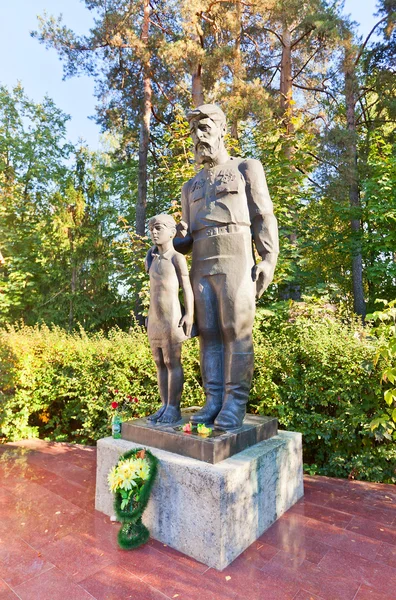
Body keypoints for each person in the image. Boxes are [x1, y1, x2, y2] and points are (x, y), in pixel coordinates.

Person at [173, 104, 279, 430]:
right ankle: (213, 400)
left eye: (205, 127)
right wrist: (178, 239)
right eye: (193, 131)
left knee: (236, 330)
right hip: (202, 261)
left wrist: (269, 258)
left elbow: (263, 215)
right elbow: (185, 241)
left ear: (222, 130)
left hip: (237, 257)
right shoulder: (189, 187)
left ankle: (235, 403)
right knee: (209, 335)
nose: (198, 136)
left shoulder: (247, 168)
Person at [146, 214, 194, 424]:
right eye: (151, 229)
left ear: (172, 232)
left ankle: (173, 407)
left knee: (171, 361)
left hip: (172, 318)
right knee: (158, 362)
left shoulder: (177, 258)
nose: (154, 232)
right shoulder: (153, 258)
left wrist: (189, 313)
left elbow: (187, 288)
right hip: (154, 319)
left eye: (158, 228)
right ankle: (164, 405)